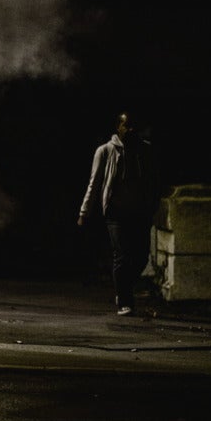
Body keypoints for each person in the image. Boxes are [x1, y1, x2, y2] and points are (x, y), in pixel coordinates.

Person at [77, 110, 157, 316]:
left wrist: (151, 207)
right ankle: (124, 301)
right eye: (126, 126)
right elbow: (94, 183)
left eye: (133, 126)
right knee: (121, 255)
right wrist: (84, 211)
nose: (130, 130)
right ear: (118, 127)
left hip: (139, 212)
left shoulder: (145, 150)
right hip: (115, 212)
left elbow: (150, 182)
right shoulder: (105, 151)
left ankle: (124, 288)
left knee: (141, 256)